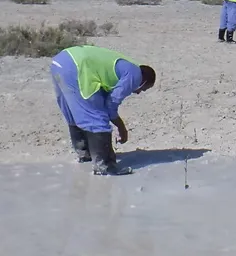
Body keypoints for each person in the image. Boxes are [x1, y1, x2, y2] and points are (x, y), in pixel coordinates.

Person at [50, 45, 157, 176]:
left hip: (60, 62)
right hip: (77, 67)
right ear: (143, 81)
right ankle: (104, 165)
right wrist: (122, 128)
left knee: (73, 112)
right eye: (144, 89)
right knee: (97, 117)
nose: (139, 92)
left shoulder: (127, 66)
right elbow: (111, 104)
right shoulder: (135, 75)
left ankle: (85, 155)